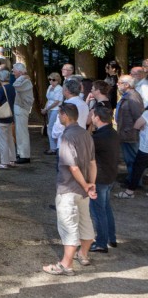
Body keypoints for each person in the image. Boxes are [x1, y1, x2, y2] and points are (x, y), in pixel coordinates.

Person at [42, 104, 97, 276]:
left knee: (68, 226)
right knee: (85, 221)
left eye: (59, 114)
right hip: (83, 189)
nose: (58, 117)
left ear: (65, 115)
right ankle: (83, 254)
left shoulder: (67, 137)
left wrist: (86, 185)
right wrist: (91, 183)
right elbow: (92, 163)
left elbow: (73, 167)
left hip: (68, 188)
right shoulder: (86, 134)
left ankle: (66, 264)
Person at [89, 106, 118, 252]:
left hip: (100, 178)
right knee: (106, 208)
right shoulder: (113, 133)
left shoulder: (98, 138)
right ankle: (111, 238)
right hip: (110, 175)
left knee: (98, 211)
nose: (91, 117)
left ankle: (101, 243)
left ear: (97, 118)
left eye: (93, 115)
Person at [114, 75, 144, 189]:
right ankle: (132, 179)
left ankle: (134, 182)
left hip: (131, 134)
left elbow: (138, 116)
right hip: (126, 132)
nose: (117, 84)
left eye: (119, 82)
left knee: (132, 159)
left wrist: (134, 130)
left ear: (127, 85)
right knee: (129, 159)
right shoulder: (128, 95)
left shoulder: (132, 97)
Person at [0, 70, 16, 169]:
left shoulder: (2, 89)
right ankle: (12, 159)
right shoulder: (12, 87)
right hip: (10, 116)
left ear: (0, 78)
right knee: (10, 139)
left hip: (1, 117)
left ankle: (4, 162)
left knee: (2, 140)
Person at [12, 63, 34, 163]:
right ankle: (21, 153)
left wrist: (22, 77)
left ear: (20, 72)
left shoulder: (25, 81)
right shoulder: (24, 80)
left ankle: (24, 155)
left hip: (22, 108)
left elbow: (16, 85)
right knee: (19, 132)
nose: (13, 73)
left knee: (22, 132)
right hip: (20, 108)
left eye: (14, 71)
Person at [42, 72, 63, 155]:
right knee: (51, 127)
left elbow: (56, 102)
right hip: (50, 109)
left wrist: (47, 109)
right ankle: (54, 147)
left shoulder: (59, 89)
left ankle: (54, 148)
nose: (51, 81)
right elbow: (49, 100)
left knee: (51, 127)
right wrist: (45, 108)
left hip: (56, 109)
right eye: (50, 79)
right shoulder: (50, 87)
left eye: (53, 80)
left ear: (58, 80)